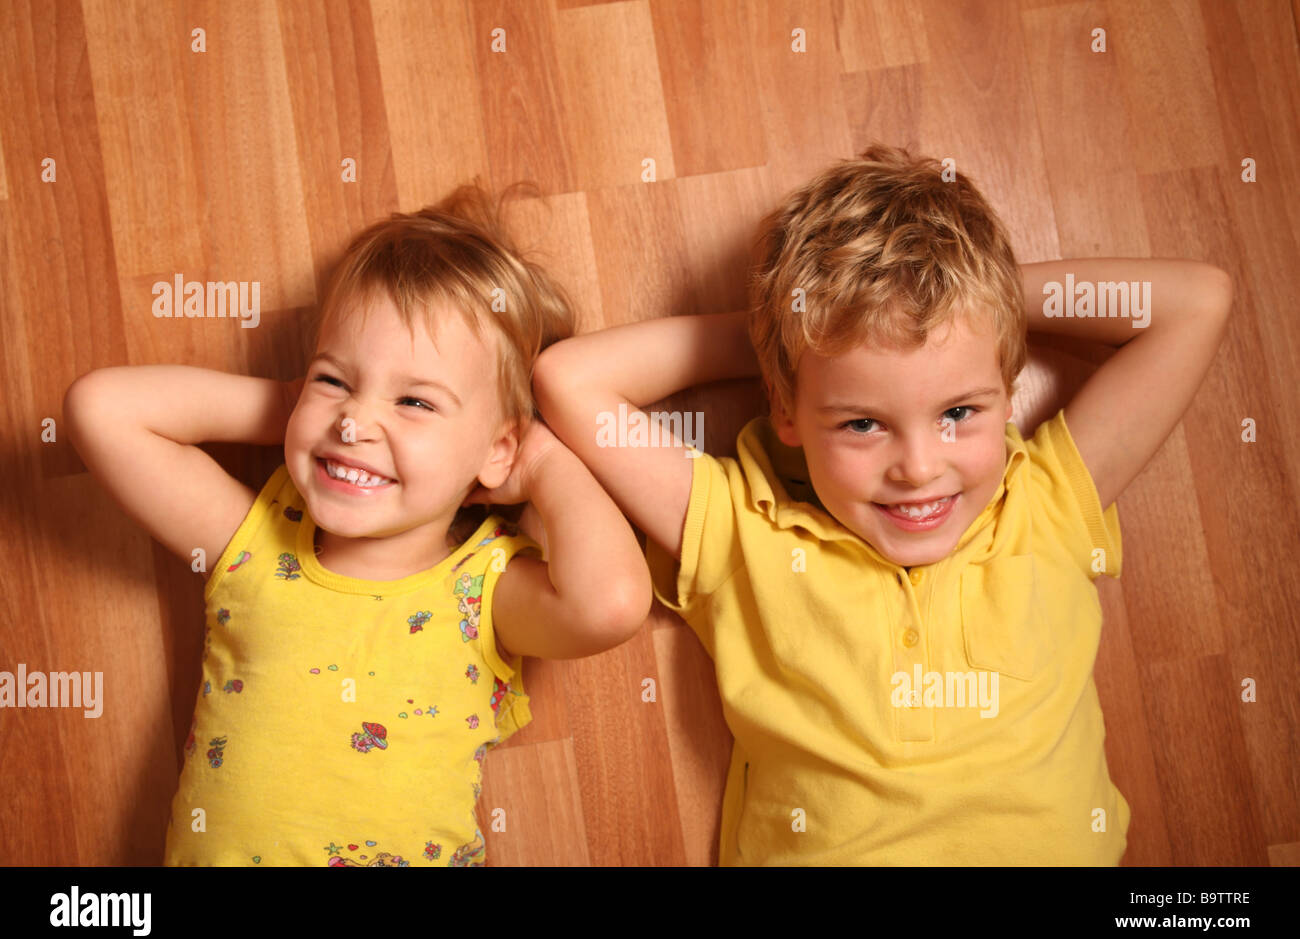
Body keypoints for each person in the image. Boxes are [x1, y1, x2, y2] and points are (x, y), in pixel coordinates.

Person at [532, 143, 1233, 865]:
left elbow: (1197, 303)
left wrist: (970, 302)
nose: (920, 469)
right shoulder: (746, 532)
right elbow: (569, 381)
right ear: (788, 412)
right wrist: (797, 333)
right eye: (862, 422)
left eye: (959, 410)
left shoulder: (1046, 501)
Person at [63, 185, 652, 866]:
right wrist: (297, 409)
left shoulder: (483, 593)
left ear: (498, 450)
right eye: (335, 381)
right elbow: (101, 410)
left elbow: (610, 604)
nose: (354, 422)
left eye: (412, 400)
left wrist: (544, 460)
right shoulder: (253, 543)